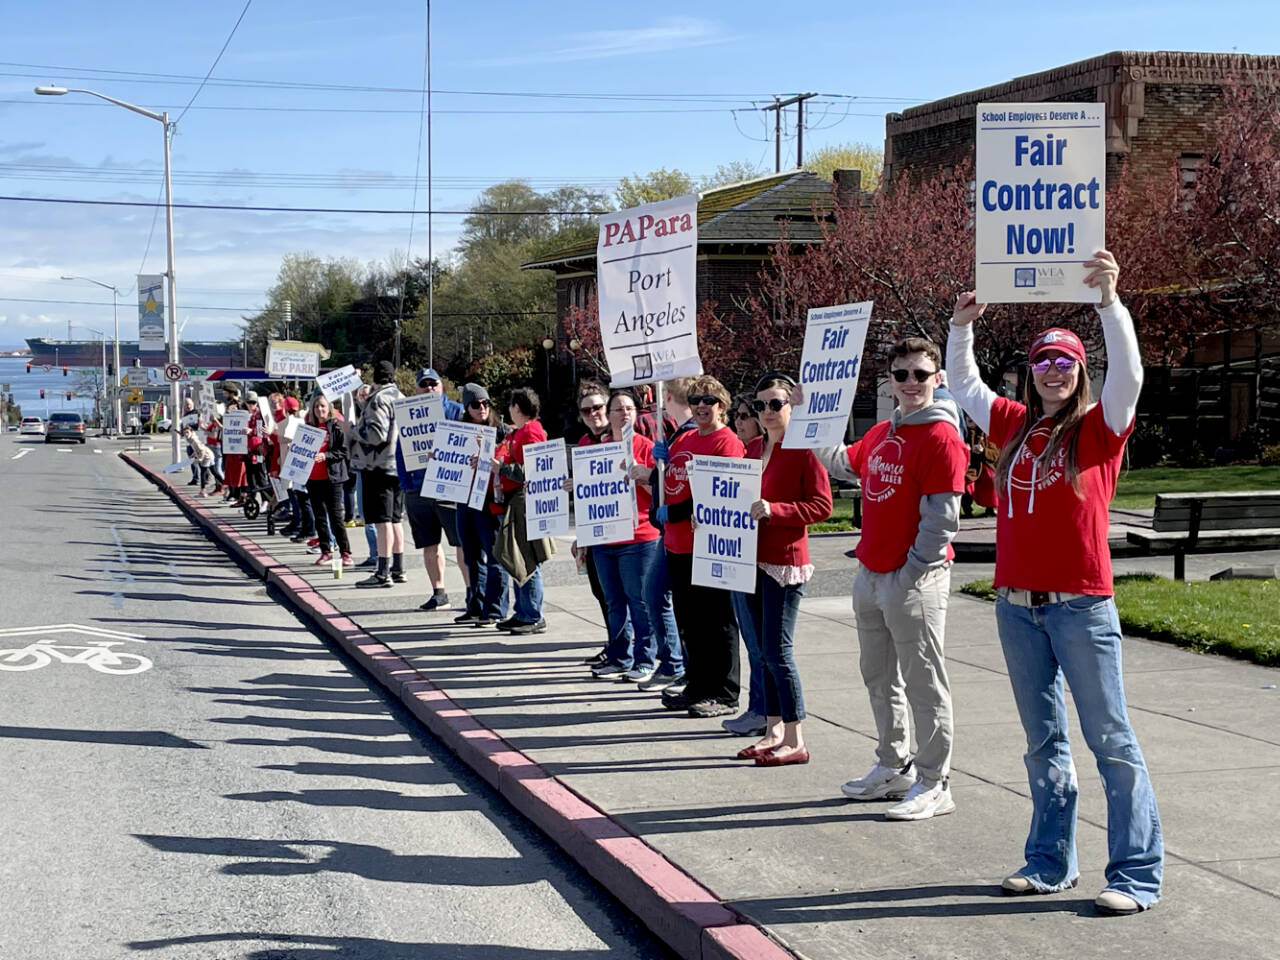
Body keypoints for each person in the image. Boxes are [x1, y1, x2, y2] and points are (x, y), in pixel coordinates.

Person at [947, 250, 1162, 916]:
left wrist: (1109, 303)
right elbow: (965, 389)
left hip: (1081, 607)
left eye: (1065, 361)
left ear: (1080, 370)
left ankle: (1135, 874)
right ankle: (1048, 863)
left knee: (1111, 741)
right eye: (1043, 361)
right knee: (1044, 743)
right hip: (1017, 608)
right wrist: (961, 328)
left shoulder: (1101, 429)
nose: (1053, 371)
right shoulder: (1014, 425)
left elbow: (1129, 375)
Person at [813, 336, 968, 821]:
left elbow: (942, 518)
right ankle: (892, 764)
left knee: (924, 682)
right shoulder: (882, 433)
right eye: (901, 374)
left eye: (921, 374)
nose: (911, 383)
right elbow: (840, 461)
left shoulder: (942, 437)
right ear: (890, 381)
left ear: (937, 379)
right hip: (871, 573)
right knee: (879, 677)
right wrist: (808, 417)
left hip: (914, 579)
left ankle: (934, 779)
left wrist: (911, 573)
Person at [733, 373, 832, 766]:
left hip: (785, 562)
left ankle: (796, 736)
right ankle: (774, 730)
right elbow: (735, 497)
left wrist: (778, 511)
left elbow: (822, 506)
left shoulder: (804, 450)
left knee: (778, 650)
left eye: (776, 404)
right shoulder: (753, 449)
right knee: (761, 650)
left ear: (792, 405)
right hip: (749, 559)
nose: (768, 412)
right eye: (761, 406)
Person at [652, 374, 744, 719]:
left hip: (708, 545)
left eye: (709, 400)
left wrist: (673, 512)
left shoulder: (727, 442)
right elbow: (668, 484)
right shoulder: (684, 439)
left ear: (722, 405)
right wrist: (657, 467)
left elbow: (720, 496)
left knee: (717, 622)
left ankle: (724, 693)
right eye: (695, 401)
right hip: (677, 545)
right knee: (689, 621)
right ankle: (697, 684)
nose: (701, 406)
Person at [589, 389, 664, 683]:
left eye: (629, 408)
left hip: (639, 537)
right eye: (618, 409)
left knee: (639, 601)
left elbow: (659, 492)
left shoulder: (646, 447)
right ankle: (620, 657)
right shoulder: (600, 449)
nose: (625, 413)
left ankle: (646, 659)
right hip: (605, 539)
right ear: (609, 415)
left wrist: (642, 476)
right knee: (613, 601)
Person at [573, 380, 630, 667]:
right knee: (604, 594)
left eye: (598, 407)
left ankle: (632, 651)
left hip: (627, 534)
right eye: (586, 410)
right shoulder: (584, 444)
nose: (593, 413)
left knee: (628, 597)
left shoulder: (623, 439)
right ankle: (615, 645)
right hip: (596, 534)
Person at [399, 368, 465, 612]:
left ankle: (472, 594)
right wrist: (406, 485)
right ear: (416, 389)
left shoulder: (456, 412)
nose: (428, 388)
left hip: (449, 489)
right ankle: (439, 593)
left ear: (441, 386)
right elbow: (401, 449)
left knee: (461, 544)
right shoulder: (409, 414)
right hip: (418, 489)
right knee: (429, 545)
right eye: (423, 384)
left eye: (433, 384)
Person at [493, 387, 555, 634]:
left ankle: (532, 614)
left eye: (511, 406)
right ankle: (523, 611)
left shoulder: (531, 432)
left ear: (517, 408)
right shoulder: (522, 431)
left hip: (524, 500)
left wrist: (503, 468)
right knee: (517, 557)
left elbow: (531, 469)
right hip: (517, 499)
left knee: (526, 558)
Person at [724, 394, 766, 736]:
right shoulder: (745, 452)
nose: (739, 421)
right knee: (753, 643)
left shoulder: (767, 453)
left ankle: (767, 712)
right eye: (736, 415)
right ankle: (758, 708)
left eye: (745, 415)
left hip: (766, 559)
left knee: (767, 648)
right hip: (739, 555)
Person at [453, 382, 509, 626]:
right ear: (467, 407)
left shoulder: (501, 430)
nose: (482, 408)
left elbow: (512, 456)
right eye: (476, 404)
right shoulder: (459, 430)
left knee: (495, 555)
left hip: (489, 500)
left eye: (486, 403)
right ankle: (476, 605)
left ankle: (495, 609)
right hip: (465, 499)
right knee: (472, 555)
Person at [351, 361, 406, 588]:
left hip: (379, 465)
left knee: (383, 521)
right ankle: (398, 568)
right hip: (399, 465)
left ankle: (383, 572)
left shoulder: (379, 399)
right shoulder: (401, 397)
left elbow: (376, 434)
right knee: (395, 519)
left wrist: (353, 430)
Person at [305, 393, 353, 567]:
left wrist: (326, 455)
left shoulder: (336, 427)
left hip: (332, 478)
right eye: (317, 407)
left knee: (335, 517)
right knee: (319, 516)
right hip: (312, 477)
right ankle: (326, 551)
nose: (319, 410)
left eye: (323, 406)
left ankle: (345, 552)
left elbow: (343, 451)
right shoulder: (309, 426)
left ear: (329, 408)